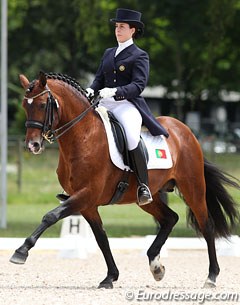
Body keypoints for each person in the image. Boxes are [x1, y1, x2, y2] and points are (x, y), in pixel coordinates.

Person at [86, 8, 169, 205]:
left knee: (132, 137)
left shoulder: (140, 55)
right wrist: (90, 90)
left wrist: (115, 92)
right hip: (103, 103)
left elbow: (138, 85)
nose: (118, 30)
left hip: (126, 104)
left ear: (133, 30)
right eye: (116, 26)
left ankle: (143, 185)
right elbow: (99, 79)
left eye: (122, 27)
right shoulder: (108, 53)